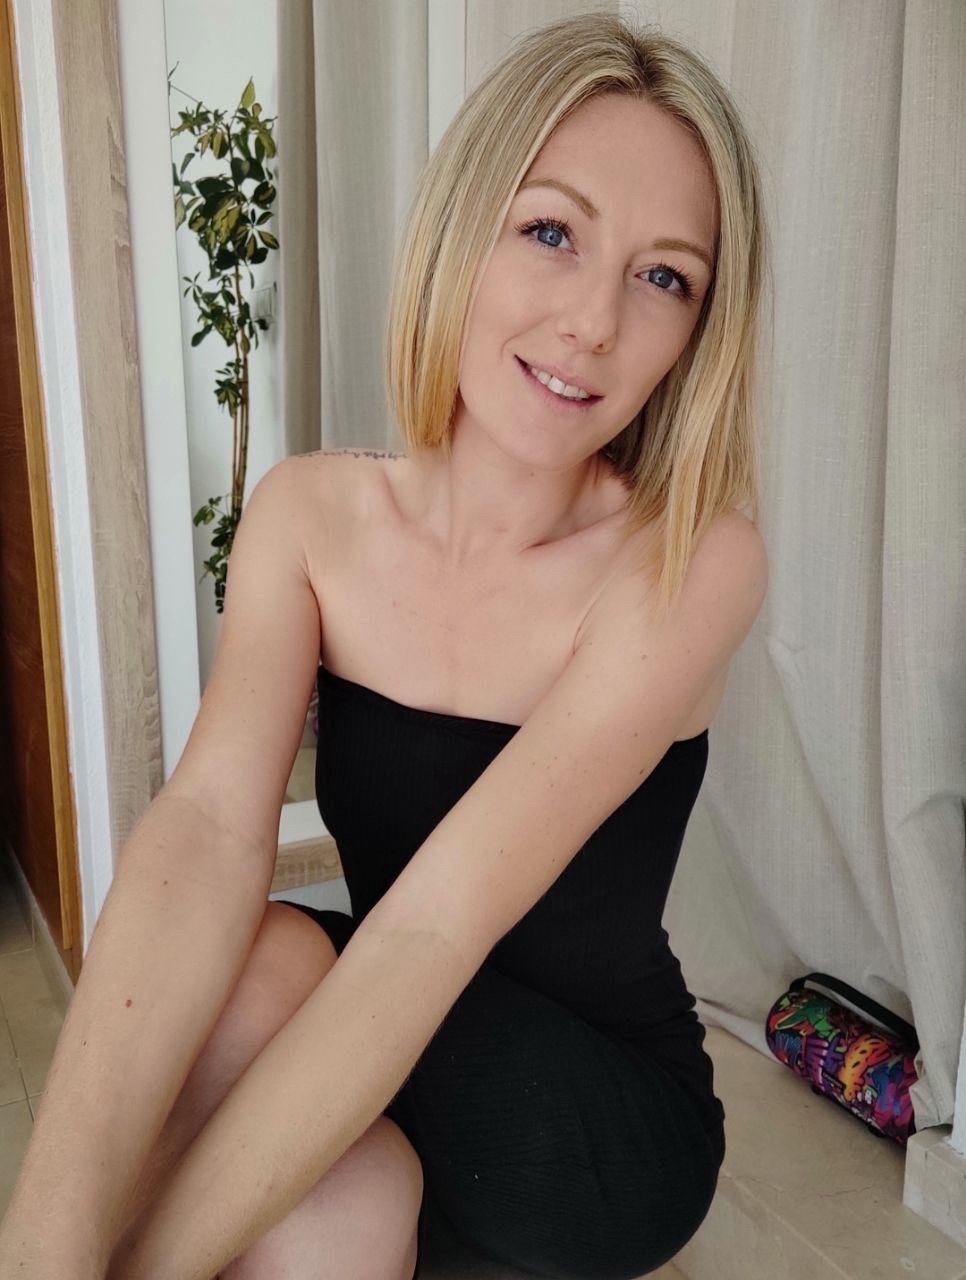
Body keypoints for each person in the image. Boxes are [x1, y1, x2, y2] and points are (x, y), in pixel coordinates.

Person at [0, 13, 769, 1280]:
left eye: (664, 276)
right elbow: (208, 823)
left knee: (281, 965)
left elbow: (434, 924)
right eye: (552, 231)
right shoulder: (308, 513)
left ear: (698, 331)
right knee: (311, 1166)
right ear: (464, 229)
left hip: (584, 1119)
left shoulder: (691, 558)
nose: (592, 320)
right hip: (397, 1028)